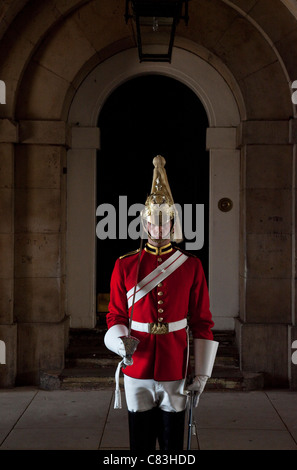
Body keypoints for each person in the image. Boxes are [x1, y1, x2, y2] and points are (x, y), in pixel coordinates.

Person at [104, 155, 218, 452]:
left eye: (164, 220)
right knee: (139, 443)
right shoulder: (125, 265)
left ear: (173, 222)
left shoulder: (190, 265)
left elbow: (202, 322)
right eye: (153, 221)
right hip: (137, 363)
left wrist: (202, 372)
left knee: (172, 444)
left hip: (174, 362)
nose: (159, 227)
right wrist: (121, 344)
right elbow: (115, 314)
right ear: (144, 223)